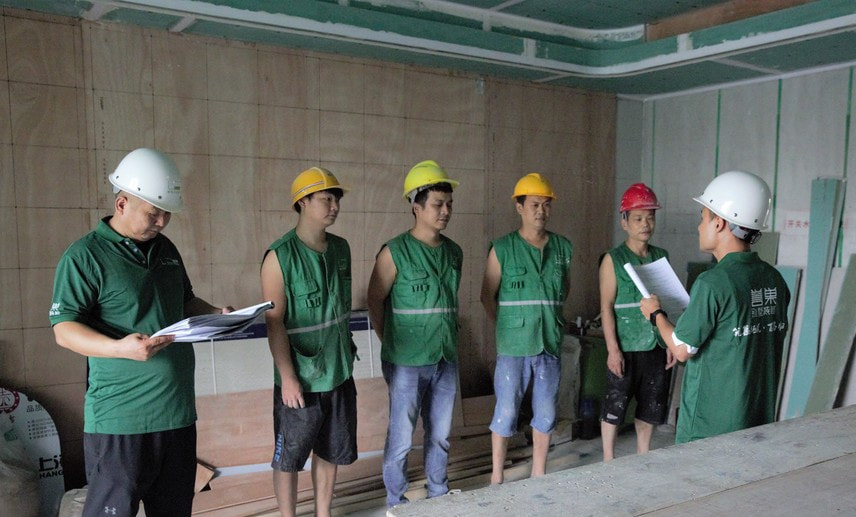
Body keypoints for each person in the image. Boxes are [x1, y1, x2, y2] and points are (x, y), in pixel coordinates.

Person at [49, 148, 232, 517]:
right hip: (121, 423)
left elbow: (184, 302)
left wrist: (217, 314)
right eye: (153, 212)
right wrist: (121, 348)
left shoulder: (167, 250)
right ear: (122, 204)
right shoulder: (85, 256)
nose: (162, 221)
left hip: (177, 416)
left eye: (167, 213)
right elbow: (64, 330)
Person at [640, 170, 790, 444]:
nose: (700, 227)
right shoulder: (774, 280)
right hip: (758, 422)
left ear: (719, 223)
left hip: (710, 429)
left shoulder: (713, 283)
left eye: (703, 218)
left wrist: (656, 314)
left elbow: (682, 349)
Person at [260, 167, 357, 517]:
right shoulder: (280, 257)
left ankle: (322, 512)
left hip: (338, 370)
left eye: (336, 199)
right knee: (289, 457)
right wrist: (287, 376)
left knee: (331, 449)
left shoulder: (341, 249)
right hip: (301, 375)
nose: (334, 206)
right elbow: (275, 324)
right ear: (302, 202)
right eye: (326, 199)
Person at [367, 160, 462, 508]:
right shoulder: (394, 252)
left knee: (440, 434)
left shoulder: (454, 252)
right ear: (416, 207)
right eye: (437, 204)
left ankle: (438, 493)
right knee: (402, 437)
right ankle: (396, 501)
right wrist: (390, 342)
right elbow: (375, 300)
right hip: (406, 361)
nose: (445, 211)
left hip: (445, 357)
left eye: (449, 204)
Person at [480, 173, 572, 485]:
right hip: (513, 347)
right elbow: (487, 295)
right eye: (534, 205)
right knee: (506, 411)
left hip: (549, 341)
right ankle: (497, 477)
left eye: (546, 205)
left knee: (546, 412)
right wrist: (506, 327)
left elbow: (564, 291)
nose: (541, 211)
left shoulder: (562, 248)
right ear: (519, 207)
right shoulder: (503, 248)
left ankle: (539, 474)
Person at [599, 183, 676, 461]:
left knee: (650, 406)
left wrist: (670, 341)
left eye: (650, 217)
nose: (645, 224)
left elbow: (666, 303)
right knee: (615, 405)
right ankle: (608, 459)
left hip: (654, 345)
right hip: (625, 345)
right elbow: (606, 307)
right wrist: (613, 350)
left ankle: (643, 457)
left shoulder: (661, 256)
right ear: (625, 222)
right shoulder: (613, 259)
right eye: (638, 218)